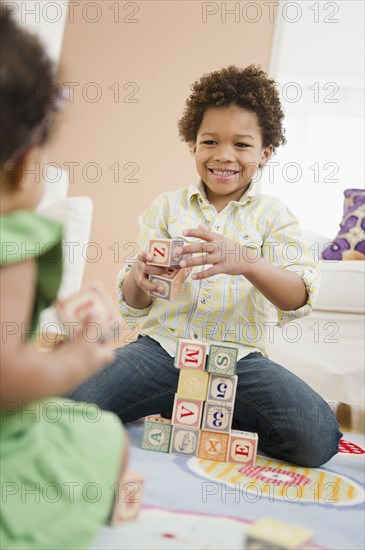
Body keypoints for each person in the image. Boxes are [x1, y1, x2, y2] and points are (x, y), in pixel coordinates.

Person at [70, 65, 342, 467]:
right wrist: (140, 277)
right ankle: (173, 409)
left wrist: (248, 262)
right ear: (193, 146)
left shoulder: (274, 216)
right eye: (210, 141)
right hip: (161, 349)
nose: (224, 155)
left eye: (242, 145)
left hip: (239, 360)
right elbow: (135, 299)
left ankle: (215, 417)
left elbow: (297, 295)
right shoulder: (167, 207)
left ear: (266, 153)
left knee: (317, 436)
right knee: (70, 402)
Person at [0, 5, 127, 548]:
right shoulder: (14, 240)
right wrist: (79, 356)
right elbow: (7, 377)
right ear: (26, 163)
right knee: (103, 433)